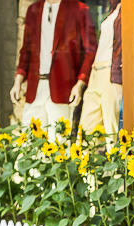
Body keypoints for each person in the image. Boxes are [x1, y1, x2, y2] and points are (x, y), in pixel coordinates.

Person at [11, 0, 97, 134]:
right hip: (35, 88)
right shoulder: (34, 10)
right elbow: (26, 51)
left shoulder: (78, 9)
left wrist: (80, 83)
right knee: (29, 143)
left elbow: (90, 52)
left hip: (62, 88)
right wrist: (18, 81)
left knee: (59, 142)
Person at [80, 0, 122, 135]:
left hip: (111, 71)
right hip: (97, 71)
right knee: (86, 127)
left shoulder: (132, 10)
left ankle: (115, 155)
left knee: (112, 128)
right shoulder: (112, 10)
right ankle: (83, 156)